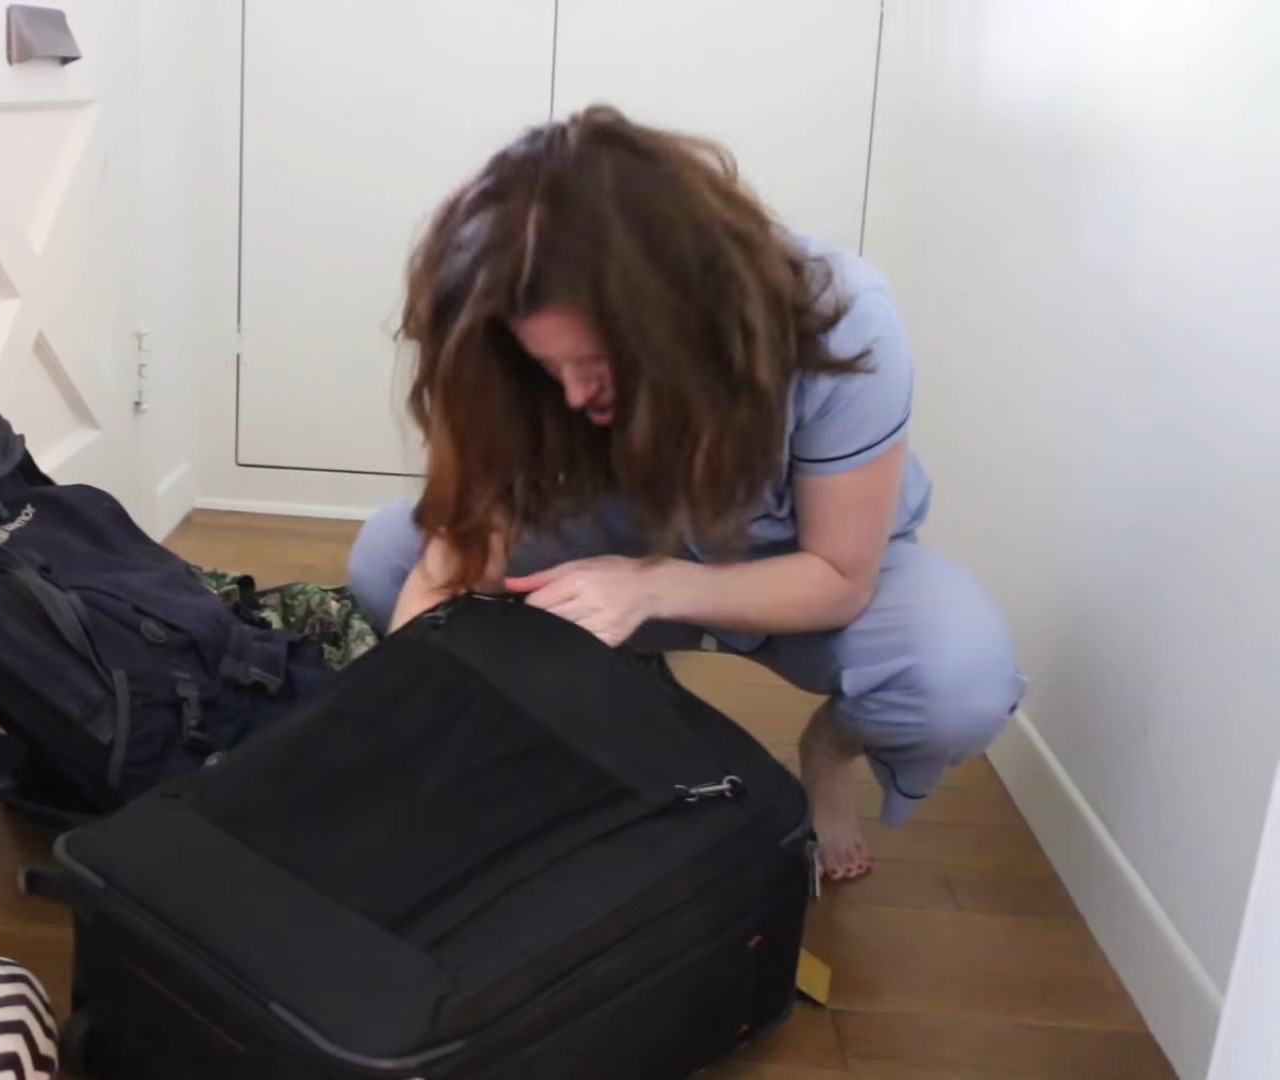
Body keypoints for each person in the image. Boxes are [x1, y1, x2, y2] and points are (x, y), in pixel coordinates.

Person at [347, 106, 1026, 882]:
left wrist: (653, 586)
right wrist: (403, 745)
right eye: (548, 367)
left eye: (596, 365)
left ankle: (829, 751)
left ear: (677, 316)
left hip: (803, 568)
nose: (573, 396)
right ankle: (610, 702)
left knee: (958, 682)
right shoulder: (506, 352)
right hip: (614, 536)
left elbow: (840, 577)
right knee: (389, 559)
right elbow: (452, 565)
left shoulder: (846, 319)